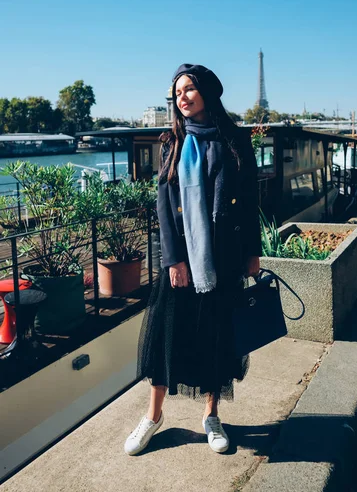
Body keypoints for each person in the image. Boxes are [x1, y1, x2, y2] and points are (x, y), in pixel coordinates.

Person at [124, 63, 261, 456]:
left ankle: (211, 416)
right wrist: (174, 261)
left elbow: (250, 201)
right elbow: (164, 207)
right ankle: (153, 417)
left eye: (188, 90)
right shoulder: (172, 141)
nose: (182, 98)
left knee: (217, 339)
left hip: (225, 257)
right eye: (177, 93)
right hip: (184, 260)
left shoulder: (235, 140)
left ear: (207, 92)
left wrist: (252, 252)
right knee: (166, 339)